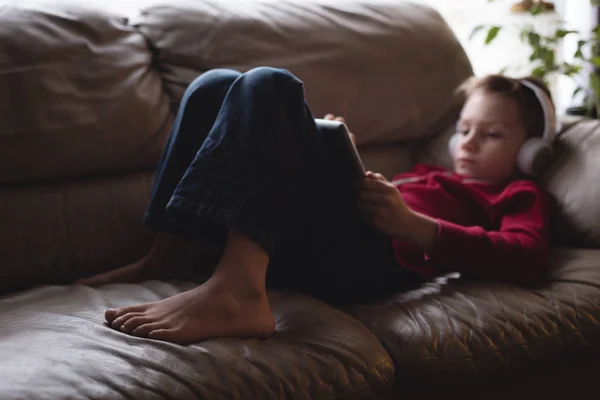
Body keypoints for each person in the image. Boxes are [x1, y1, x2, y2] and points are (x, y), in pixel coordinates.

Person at [76, 67, 555, 345]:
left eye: (492, 135)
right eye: (465, 129)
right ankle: (169, 254)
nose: (469, 144)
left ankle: (239, 292)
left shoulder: (515, 193)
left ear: (531, 151)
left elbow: (526, 255)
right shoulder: (427, 174)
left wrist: (415, 227)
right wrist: (328, 153)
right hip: (325, 237)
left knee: (272, 84)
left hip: (371, 262)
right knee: (213, 86)